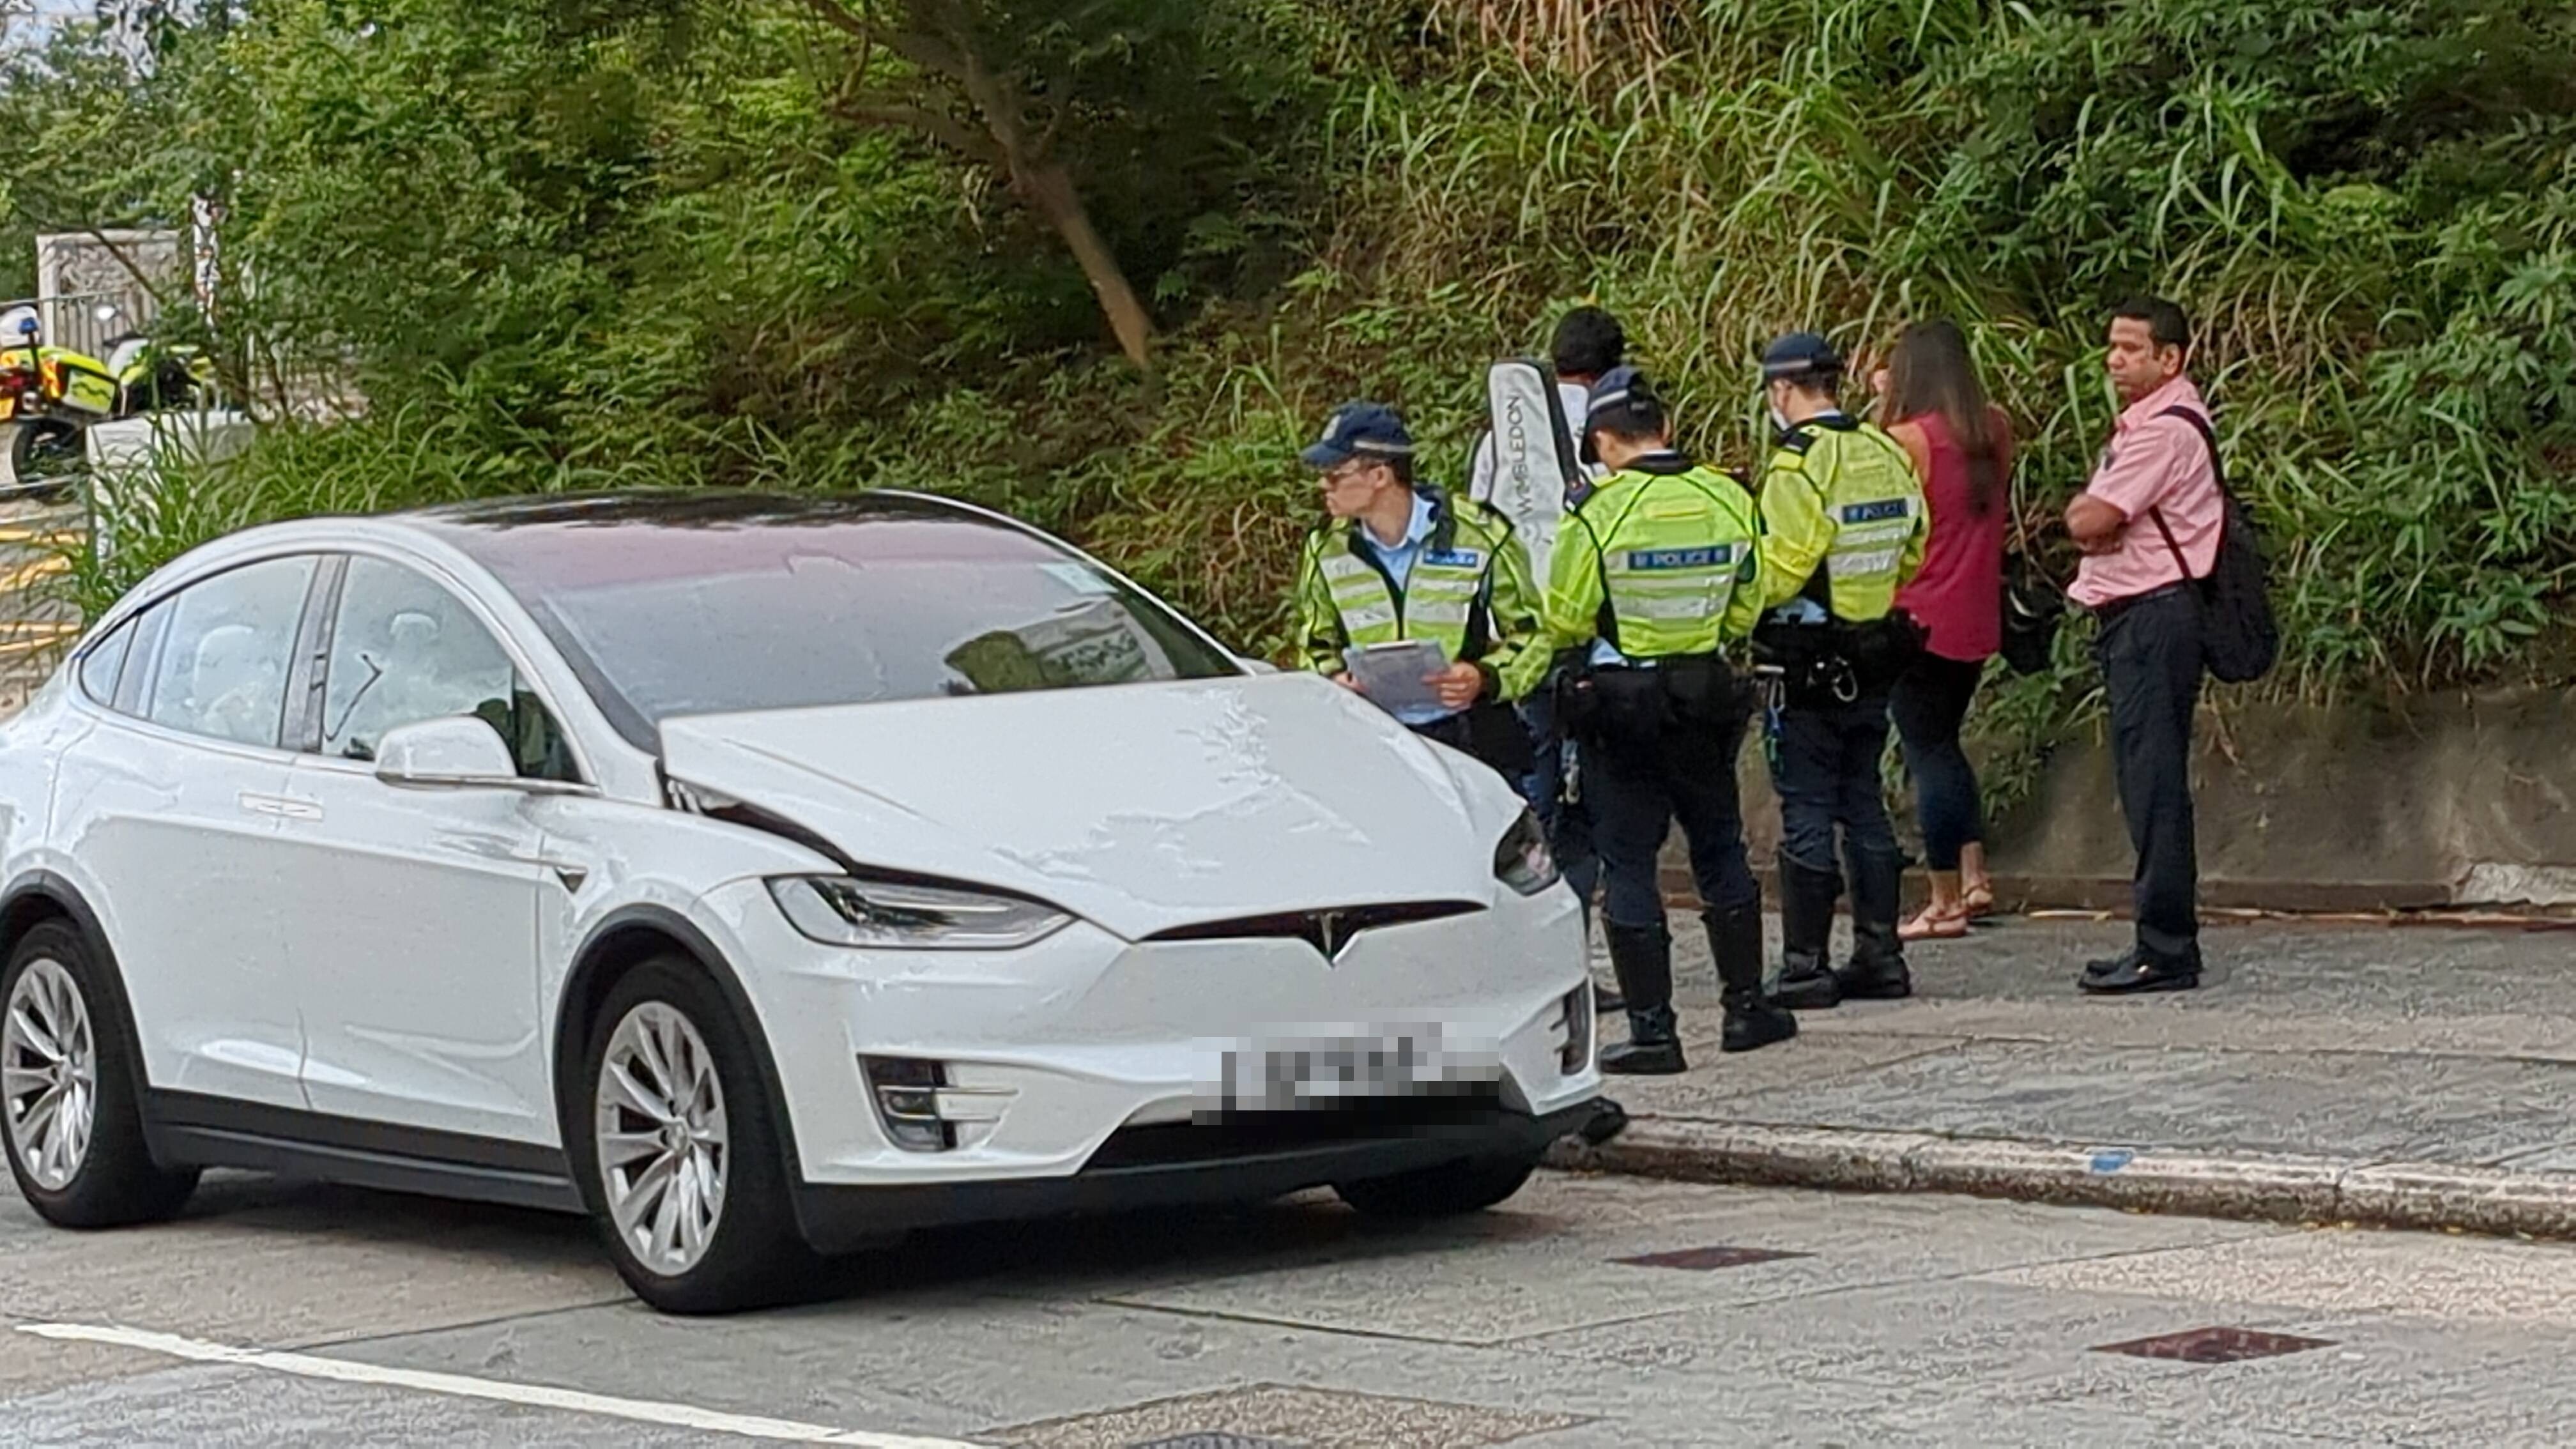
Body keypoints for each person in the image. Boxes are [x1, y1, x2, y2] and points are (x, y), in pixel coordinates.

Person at [1543, 366, 1798, 1073]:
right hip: (1706, 698)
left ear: (1600, 440)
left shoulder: (1598, 511)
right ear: (1667, 429)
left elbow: (1563, 616)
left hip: (1621, 706)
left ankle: (1656, 1034)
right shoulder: (1727, 495)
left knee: (1628, 862)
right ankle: (1746, 1008)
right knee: (1720, 847)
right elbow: (1753, 598)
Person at [1751, 332, 1928, 1011]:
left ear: (1782, 391)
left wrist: (1740, 591)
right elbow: (1914, 545)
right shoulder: (1883, 450)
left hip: (1807, 652)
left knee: (1807, 806)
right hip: (1874, 649)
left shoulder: (1800, 465)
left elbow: (1786, 565)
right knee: (1863, 802)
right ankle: (1881, 955)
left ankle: (1805, 965)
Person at [2062, 298, 2221, 993]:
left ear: (2170, 358)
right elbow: (2094, 522)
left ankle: (2165, 945)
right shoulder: (2145, 427)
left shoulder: (2162, 433)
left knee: (2152, 779)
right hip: (2144, 612)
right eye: (2111, 349)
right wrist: (2093, 522)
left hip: (2153, 615)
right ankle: (2159, 939)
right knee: (2143, 774)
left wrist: (2089, 518)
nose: (2115, 361)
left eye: (2132, 349)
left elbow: (2092, 516)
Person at [1469, 307, 1623, 970]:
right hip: (1594, 638)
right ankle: (1578, 952)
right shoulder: (1614, 426)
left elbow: (1479, 525)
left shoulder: (1502, 433)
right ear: (1612, 363)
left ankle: (1528, 952)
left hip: (1520, 640)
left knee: (1532, 794)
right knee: (1591, 798)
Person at [1292, 401, 1544, 779]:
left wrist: (1484, 678)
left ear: (1380, 475)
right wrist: (1336, 682)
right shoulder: (1325, 547)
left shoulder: (1479, 535)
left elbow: (1534, 635)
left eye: (1334, 475)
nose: (1322, 486)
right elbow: (1313, 646)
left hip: (1469, 736)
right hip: (1373, 740)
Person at [1874, 321, 2011, 940]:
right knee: (1947, 744)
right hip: (1975, 609)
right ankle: (1976, 874)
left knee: (1926, 750)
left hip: (1916, 612)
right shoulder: (1993, 427)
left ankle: (1943, 898)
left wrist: (1880, 403)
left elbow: (1871, 485)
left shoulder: (1905, 438)